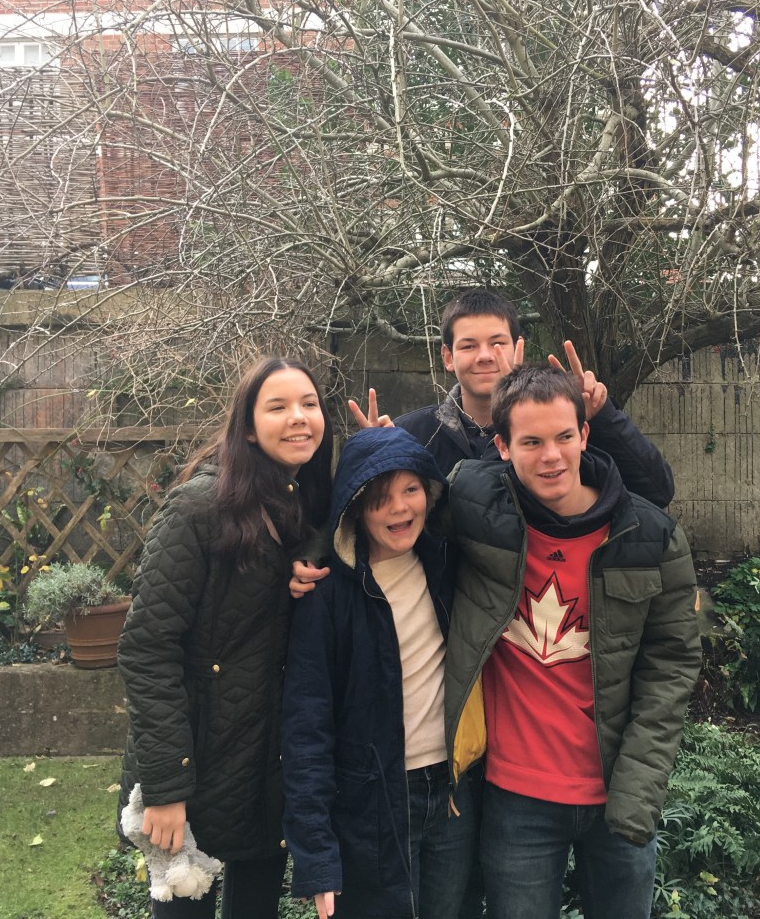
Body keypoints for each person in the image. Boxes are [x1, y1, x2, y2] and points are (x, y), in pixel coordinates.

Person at [440, 364, 702, 919]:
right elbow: (388, 520)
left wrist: (639, 791)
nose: (552, 456)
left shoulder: (650, 537)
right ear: (502, 447)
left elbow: (672, 666)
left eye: (563, 436)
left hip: (618, 792)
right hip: (516, 798)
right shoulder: (472, 505)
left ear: (585, 434)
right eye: (531, 442)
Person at [117, 357, 334, 919]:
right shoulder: (199, 507)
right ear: (248, 427)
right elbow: (147, 648)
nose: (299, 417)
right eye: (278, 406)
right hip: (193, 767)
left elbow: (351, 524)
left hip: (264, 773)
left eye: (309, 404)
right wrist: (166, 788)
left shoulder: (302, 504)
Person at [282, 426, 478, 919]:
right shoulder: (325, 593)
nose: (399, 508)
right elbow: (306, 725)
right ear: (354, 509)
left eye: (411, 489)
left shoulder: (445, 561)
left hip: (453, 790)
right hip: (375, 801)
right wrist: (317, 855)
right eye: (379, 498)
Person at [372, 288, 674, 509]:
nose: (485, 356)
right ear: (448, 357)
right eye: (468, 346)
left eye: (497, 343)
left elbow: (656, 492)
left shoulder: (561, 429)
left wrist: (603, 417)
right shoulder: (411, 435)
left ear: (518, 347)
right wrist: (372, 463)